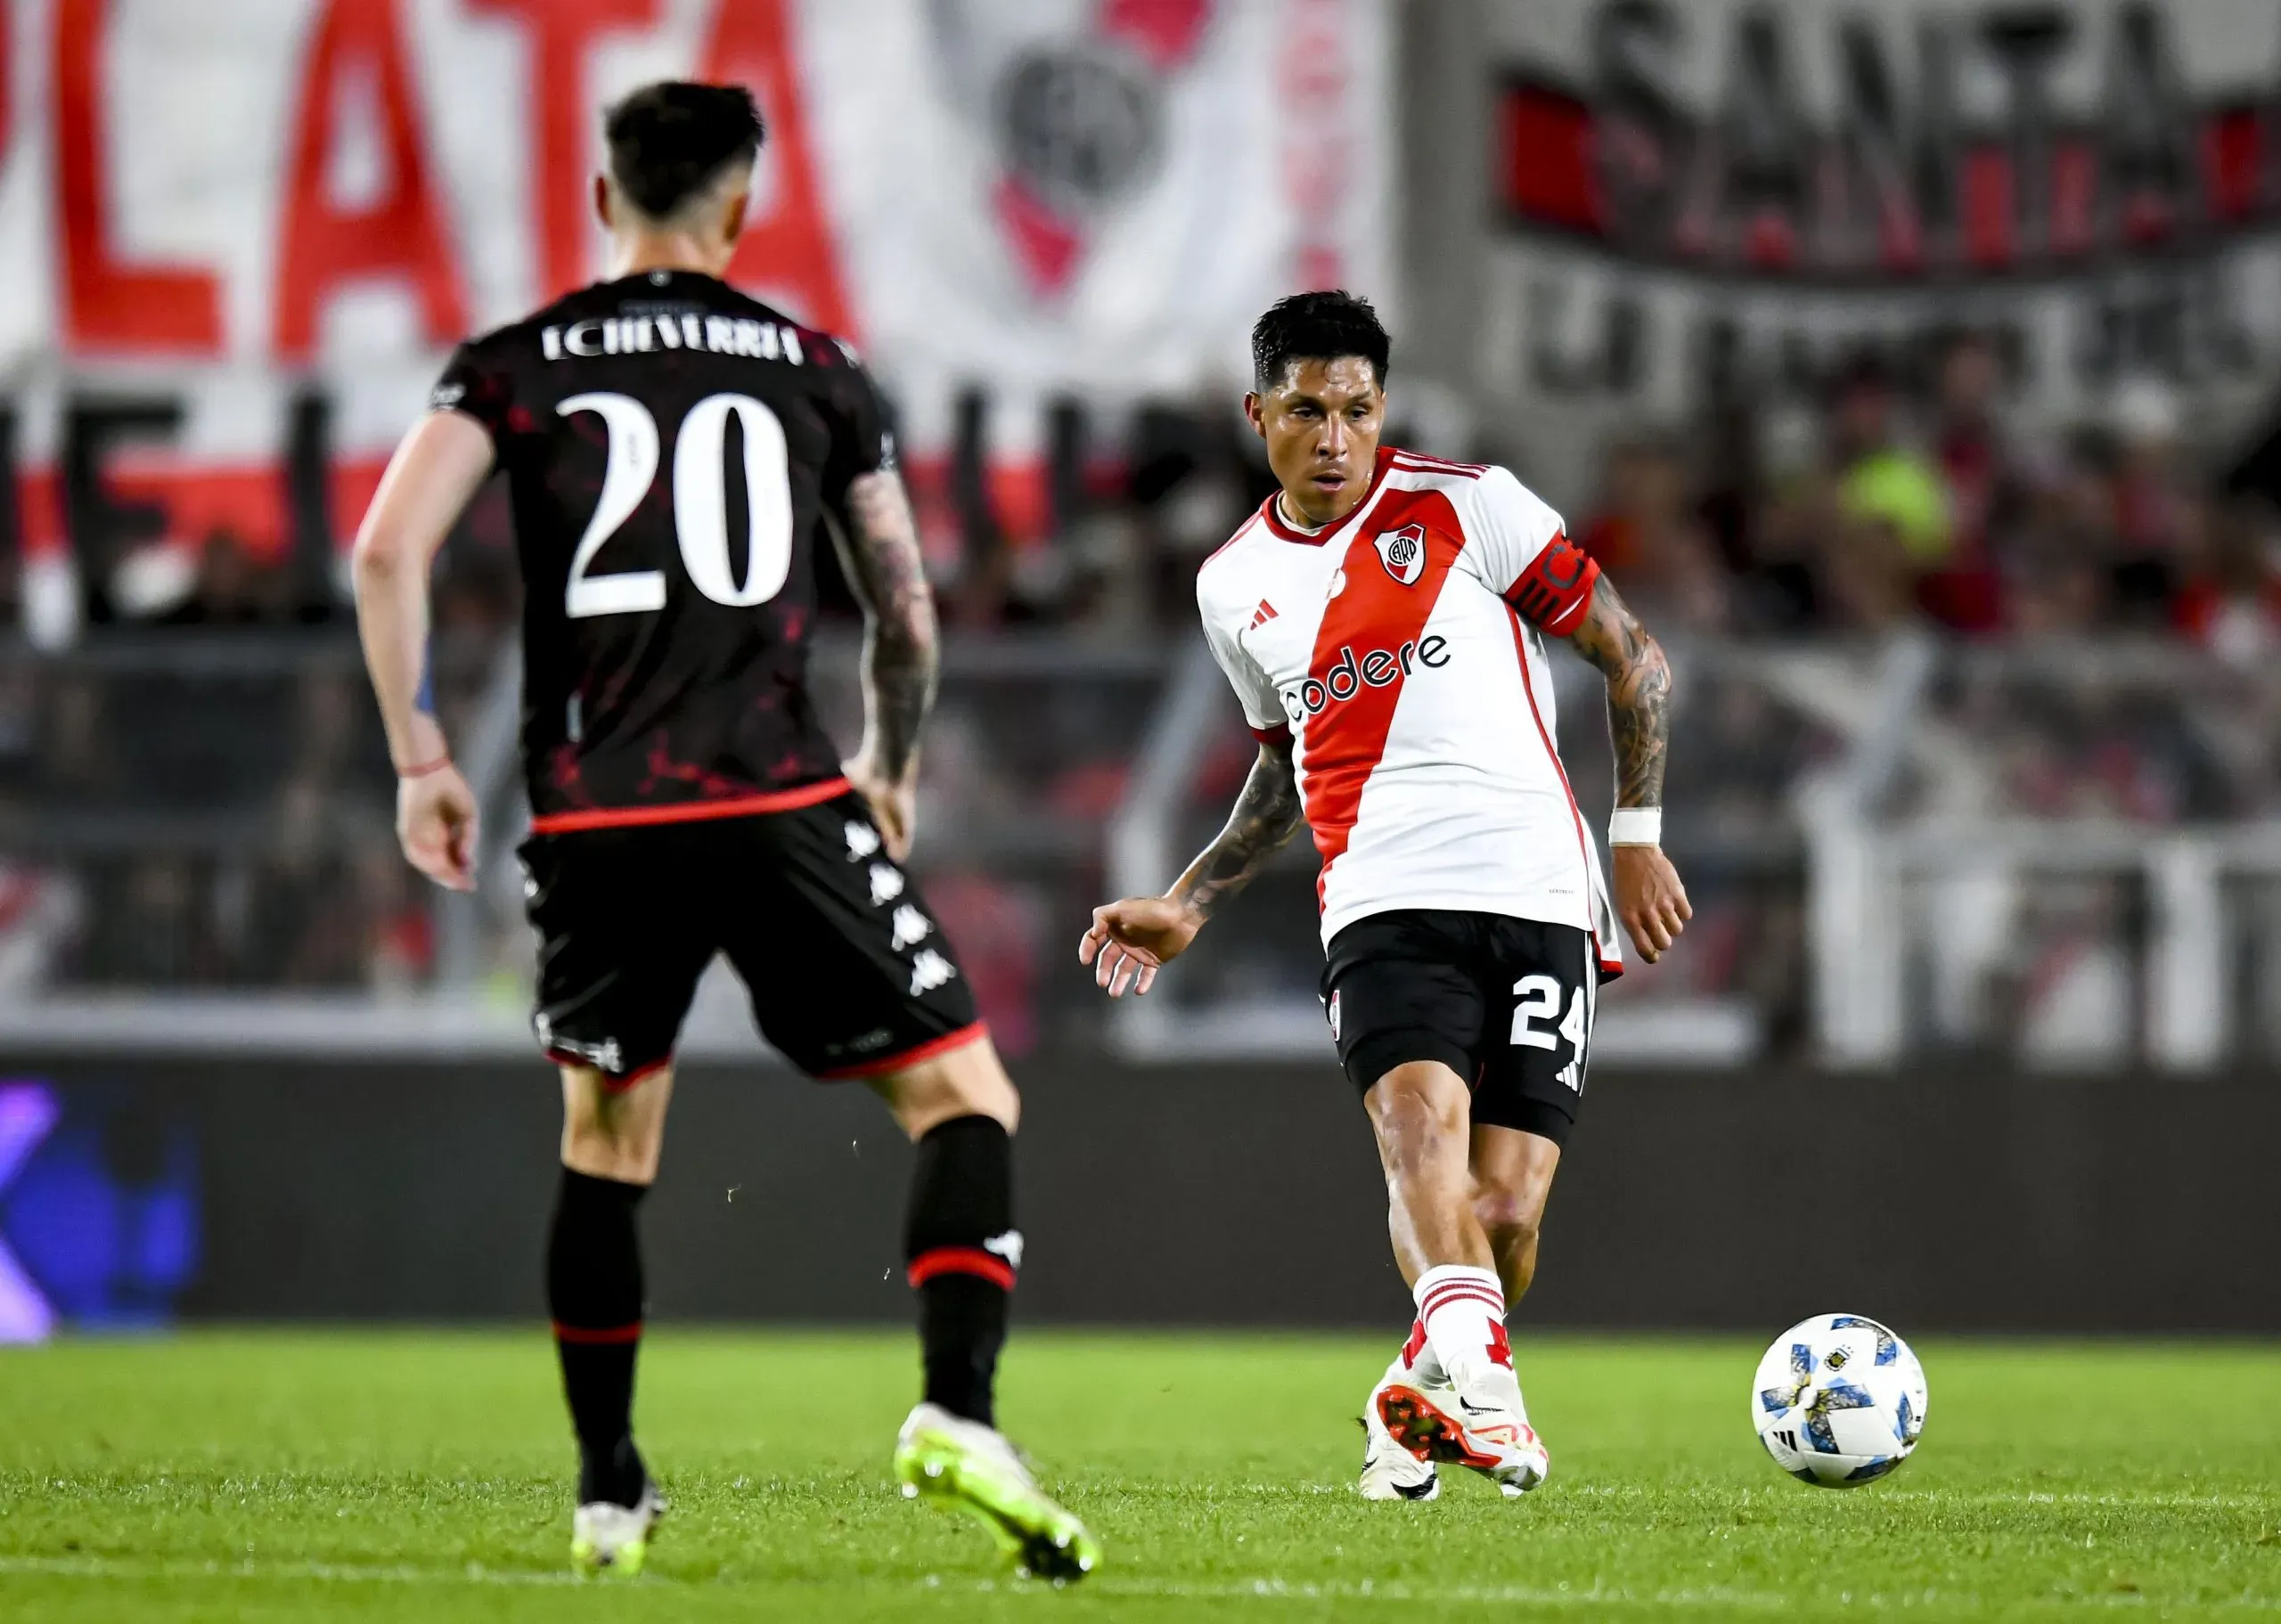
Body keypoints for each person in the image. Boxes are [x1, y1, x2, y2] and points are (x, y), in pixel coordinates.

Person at [350, 82, 1095, 1581]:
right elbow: (904, 610)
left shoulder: (513, 363)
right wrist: (890, 763)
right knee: (963, 1094)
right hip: (773, 797)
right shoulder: (815, 369)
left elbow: (384, 553)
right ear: (742, 204)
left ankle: (607, 1488)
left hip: (597, 814)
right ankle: (957, 1407)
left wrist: (423, 759)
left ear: (603, 196)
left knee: (607, 1139)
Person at [1079, 291, 1689, 1501]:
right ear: (1258, 415)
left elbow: (1630, 655)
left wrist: (1635, 835)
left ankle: (1412, 1395)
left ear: (1383, 409)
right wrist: (1192, 899)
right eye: (1307, 410)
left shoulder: (1473, 505)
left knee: (1505, 1215)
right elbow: (1283, 761)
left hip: (1539, 883)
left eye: (1357, 410)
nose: (1335, 437)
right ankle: (1493, 1403)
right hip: (1380, 895)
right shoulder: (1232, 586)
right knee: (1418, 1137)